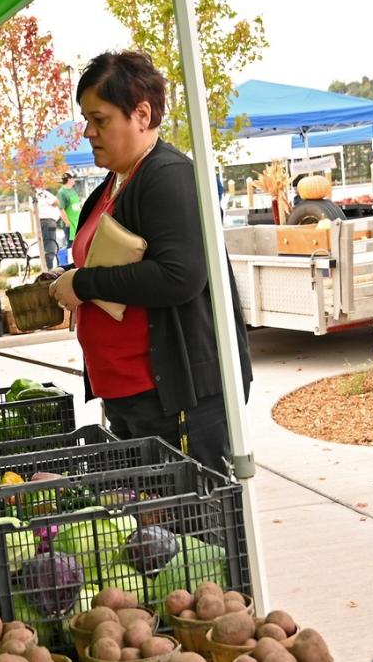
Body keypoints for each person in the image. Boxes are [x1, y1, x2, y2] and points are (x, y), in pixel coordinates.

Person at [46, 51, 252, 473]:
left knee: (196, 530)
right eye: (86, 119)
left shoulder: (168, 175)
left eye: (99, 119)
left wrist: (84, 285)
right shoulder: (116, 182)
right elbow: (111, 265)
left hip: (177, 400)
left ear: (141, 114)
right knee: (157, 533)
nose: (88, 132)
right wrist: (67, 278)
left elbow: (180, 276)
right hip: (132, 396)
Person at [35, 186, 64, 269]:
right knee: (51, 243)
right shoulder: (42, 193)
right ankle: (50, 267)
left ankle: (48, 265)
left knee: (46, 244)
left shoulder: (33, 195)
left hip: (41, 222)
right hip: (49, 222)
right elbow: (56, 202)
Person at [57, 171, 82, 239]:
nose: (75, 179)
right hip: (70, 225)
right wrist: (67, 223)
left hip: (76, 222)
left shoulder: (72, 190)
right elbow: (61, 209)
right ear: (68, 179)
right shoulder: (62, 192)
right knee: (70, 245)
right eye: (73, 178)